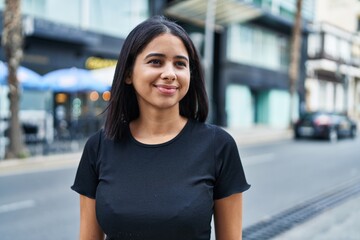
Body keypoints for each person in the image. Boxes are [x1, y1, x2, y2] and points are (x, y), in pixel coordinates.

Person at [71, 15, 250, 240]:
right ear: (128, 73)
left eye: (180, 64)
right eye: (156, 61)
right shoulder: (99, 147)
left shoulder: (218, 146)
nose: (169, 73)